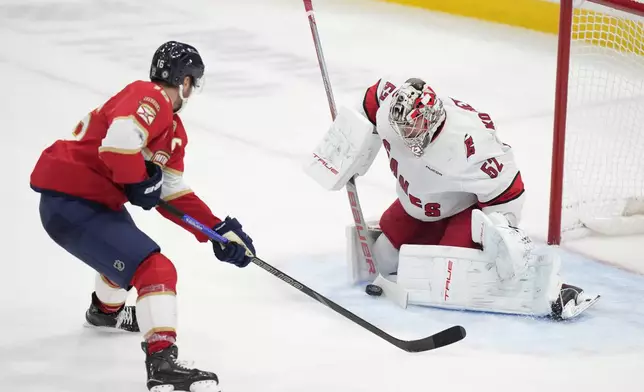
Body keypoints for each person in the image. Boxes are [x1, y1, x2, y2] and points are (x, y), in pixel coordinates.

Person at [30, 41, 254, 392]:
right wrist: (136, 181)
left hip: (90, 203)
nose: (191, 91)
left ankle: (105, 311)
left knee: (127, 254)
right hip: (73, 201)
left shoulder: (173, 132)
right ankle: (162, 363)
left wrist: (217, 231)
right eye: (192, 83)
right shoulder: (150, 97)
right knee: (156, 270)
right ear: (184, 82)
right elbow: (119, 142)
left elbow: (170, 191)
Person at [305, 77, 599, 320]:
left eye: (412, 128)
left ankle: (538, 287)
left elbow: (508, 190)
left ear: (432, 119)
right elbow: (371, 100)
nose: (404, 135)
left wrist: (498, 236)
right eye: (401, 128)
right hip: (418, 203)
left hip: (464, 211)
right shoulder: (390, 111)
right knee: (381, 260)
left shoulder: (469, 147)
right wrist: (347, 147)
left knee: (445, 277)